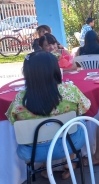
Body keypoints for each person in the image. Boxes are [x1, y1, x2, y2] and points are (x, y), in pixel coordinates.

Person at [6, 51, 91, 179]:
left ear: (28, 72)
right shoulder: (70, 90)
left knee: (33, 130)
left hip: (33, 152)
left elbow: (11, 119)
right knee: (79, 121)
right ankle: (70, 162)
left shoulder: (20, 99)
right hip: (69, 144)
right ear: (55, 69)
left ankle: (47, 168)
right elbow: (85, 107)